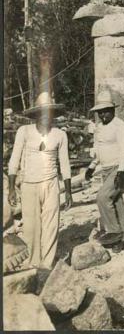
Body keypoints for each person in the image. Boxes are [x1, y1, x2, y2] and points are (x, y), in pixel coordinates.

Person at [8, 92, 73, 269]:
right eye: (42, 113)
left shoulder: (60, 135)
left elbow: (65, 164)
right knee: (31, 226)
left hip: (51, 183)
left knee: (51, 225)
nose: (46, 117)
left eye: (49, 113)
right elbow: (14, 160)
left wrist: (68, 191)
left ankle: (47, 264)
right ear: (36, 115)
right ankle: (34, 263)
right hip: (29, 183)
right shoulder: (24, 131)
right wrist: (12, 187)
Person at [85, 91, 124, 252]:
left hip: (119, 167)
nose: (103, 115)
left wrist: (120, 171)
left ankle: (114, 232)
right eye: (100, 112)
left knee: (103, 197)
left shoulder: (120, 125)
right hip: (105, 168)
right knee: (116, 202)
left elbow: (123, 150)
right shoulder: (98, 128)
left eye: (106, 111)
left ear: (113, 110)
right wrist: (92, 166)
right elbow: (99, 149)